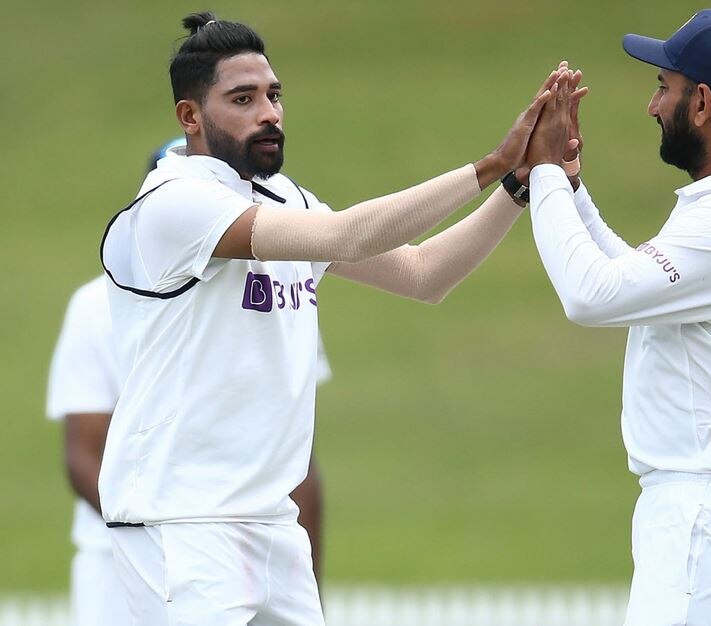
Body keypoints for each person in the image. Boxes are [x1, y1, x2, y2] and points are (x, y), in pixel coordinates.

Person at [99, 11, 570, 626]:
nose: (268, 112)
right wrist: (486, 166)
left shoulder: (285, 198)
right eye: (242, 99)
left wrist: (517, 185)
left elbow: (425, 274)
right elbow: (347, 235)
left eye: (273, 95)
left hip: (272, 522)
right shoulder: (172, 202)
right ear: (191, 117)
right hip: (179, 522)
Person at [525, 10, 711, 626]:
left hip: (709, 512)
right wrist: (570, 185)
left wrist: (540, 171)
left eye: (664, 88)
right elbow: (635, 288)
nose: (654, 106)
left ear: (701, 103)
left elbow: (590, 296)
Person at [46, 143, 332, 626]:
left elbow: (294, 447)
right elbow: (83, 452)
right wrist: (151, 532)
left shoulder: (280, 286)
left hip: (249, 534)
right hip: (147, 541)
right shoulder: (94, 307)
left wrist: (305, 577)